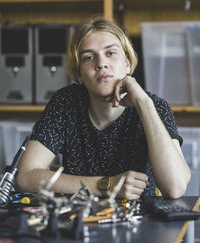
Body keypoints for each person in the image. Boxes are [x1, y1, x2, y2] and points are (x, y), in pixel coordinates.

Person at [16, 17, 191, 200]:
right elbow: (25, 177)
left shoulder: (154, 106)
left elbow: (175, 187)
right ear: (79, 74)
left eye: (111, 53)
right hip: (79, 219)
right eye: (89, 57)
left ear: (127, 62)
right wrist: (106, 185)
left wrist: (143, 103)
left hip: (140, 221)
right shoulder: (66, 103)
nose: (101, 63)